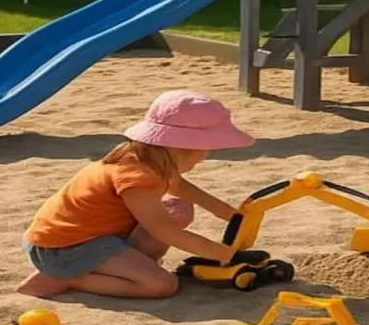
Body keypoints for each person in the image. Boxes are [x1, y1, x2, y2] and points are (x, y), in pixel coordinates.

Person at [18, 90, 253, 299]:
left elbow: (178, 186)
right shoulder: (136, 177)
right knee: (162, 285)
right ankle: (67, 278)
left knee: (177, 209)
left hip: (95, 237)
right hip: (64, 248)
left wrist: (225, 212)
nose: (205, 157)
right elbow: (162, 231)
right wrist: (220, 253)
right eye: (204, 150)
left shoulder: (149, 156)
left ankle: (133, 266)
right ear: (182, 147)